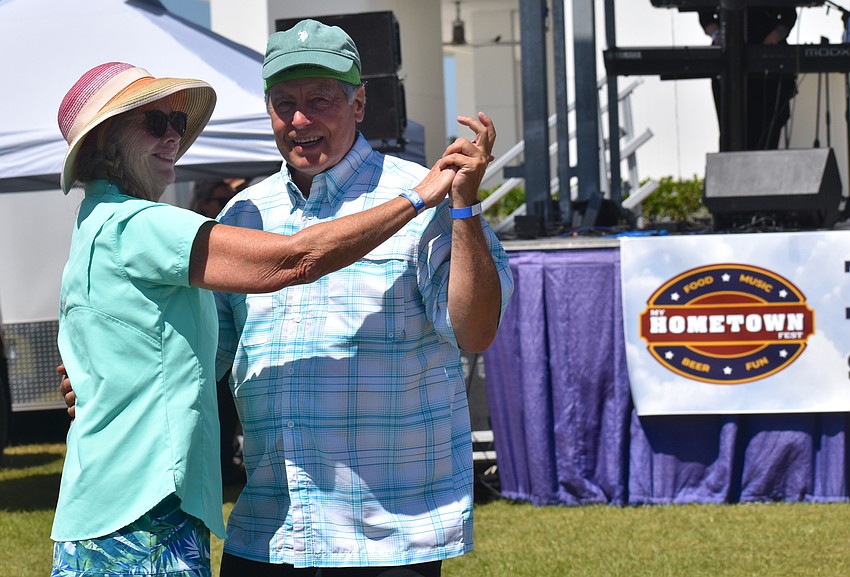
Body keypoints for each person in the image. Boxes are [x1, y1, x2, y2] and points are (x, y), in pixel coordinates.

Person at [50, 60, 485, 577]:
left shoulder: (97, 224)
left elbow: (178, 350)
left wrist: (96, 380)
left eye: (177, 122)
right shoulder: (144, 224)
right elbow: (296, 260)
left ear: (359, 103)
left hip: (120, 506)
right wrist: (418, 198)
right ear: (106, 142)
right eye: (155, 122)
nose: (173, 137)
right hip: (145, 512)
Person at [213, 19, 514, 576]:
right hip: (270, 533)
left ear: (358, 104)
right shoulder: (244, 215)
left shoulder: (429, 197)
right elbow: (203, 356)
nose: (300, 120)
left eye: (319, 100)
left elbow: (475, 332)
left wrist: (466, 208)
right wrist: (101, 377)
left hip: (387, 537)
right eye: (284, 103)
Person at [191, 178, 249, 485]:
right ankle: (219, 470)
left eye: (233, 195)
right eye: (222, 199)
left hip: (233, 347)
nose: (230, 203)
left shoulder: (238, 235)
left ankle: (227, 467)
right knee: (215, 414)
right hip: (206, 348)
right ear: (203, 204)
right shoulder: (193, 238)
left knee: (228, 415)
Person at [698, 6, 798, 150]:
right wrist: (718, 35)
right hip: (728, 61)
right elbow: (704, 13)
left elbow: (788, 15)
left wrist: (774, 37)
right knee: (731, 132)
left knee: (768, 133)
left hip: (769, 63)